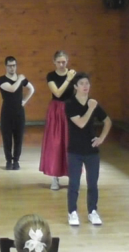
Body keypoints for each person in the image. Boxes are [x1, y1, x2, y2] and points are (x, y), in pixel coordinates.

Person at [65, 73, 112, 227]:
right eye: (82, 83)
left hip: (91, 150)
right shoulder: (70, 104)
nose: (85, 86)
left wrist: (101, 138)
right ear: (75, 86)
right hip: (75, 150)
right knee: (74, 184)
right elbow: (81, 123)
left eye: (87, 83)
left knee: (92, 184)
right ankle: (72, 212)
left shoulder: (93, 103)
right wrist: (91, 108)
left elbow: (107, 121)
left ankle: (92, 211)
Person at [40, 51, 76, 190]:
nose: (62, 64)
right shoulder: (51, 76)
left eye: (64, 62)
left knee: (70, 142)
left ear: (67, 61)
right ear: (54, 62)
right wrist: (68, 79)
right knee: (55, 143)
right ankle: (55, 177)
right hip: (56, 110)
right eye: (59, 62)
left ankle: (73, 177)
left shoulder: (73, 74)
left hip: (70, 109)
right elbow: (58, 93)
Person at [0, 56, 35, 170]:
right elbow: (12, 88)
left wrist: (24, 101)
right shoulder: (2, 79)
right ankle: (9, 161)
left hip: (19, 112)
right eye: (10, 66)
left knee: (19, 138)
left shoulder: (21, 79)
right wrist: (20, 79)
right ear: (6, 66)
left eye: (14, 65)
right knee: (7, 138)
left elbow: (32, 89)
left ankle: (16, 161)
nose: (12, 68)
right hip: (6, 113)